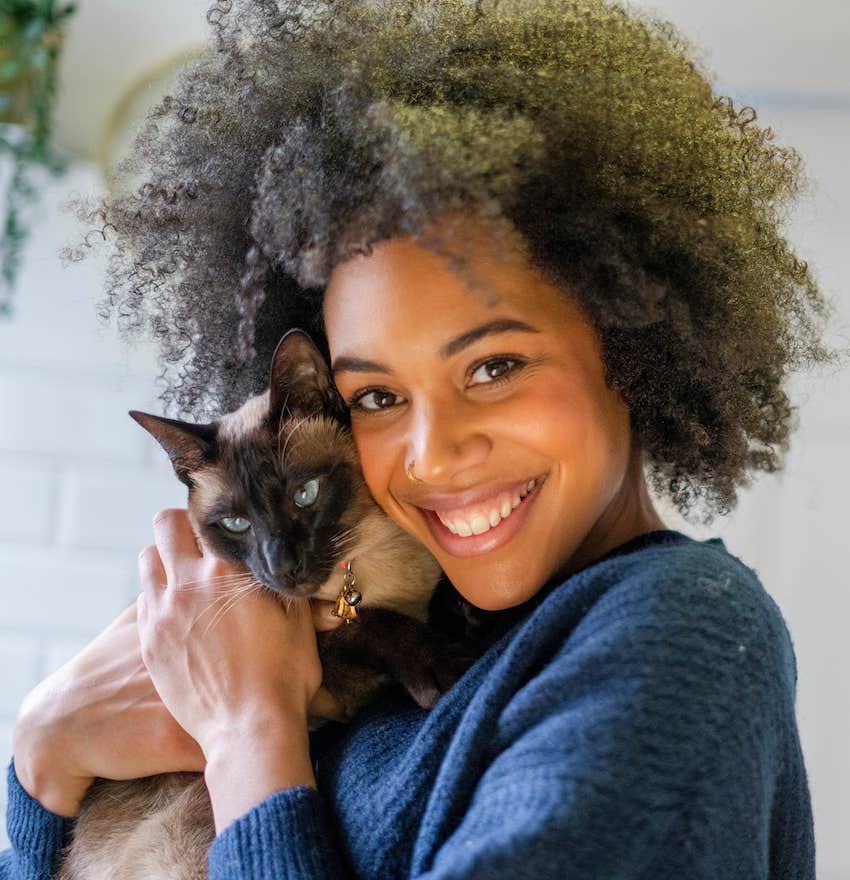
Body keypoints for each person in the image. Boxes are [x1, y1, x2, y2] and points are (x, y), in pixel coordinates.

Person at [3, 0, 839, 876]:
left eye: (494, 367)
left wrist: (249, 731)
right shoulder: (396, 617)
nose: (433, 455)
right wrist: (42, 764)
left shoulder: (681, 632)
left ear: (631, 349)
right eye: (374, 396)